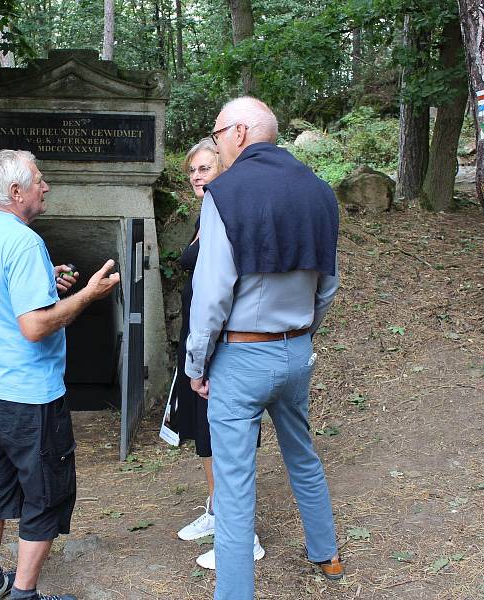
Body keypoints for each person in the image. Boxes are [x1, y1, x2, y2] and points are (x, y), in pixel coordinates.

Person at [185, 97, 343, 599]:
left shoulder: (223, 194)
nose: (216, 144)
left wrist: (197, 361)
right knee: (302, 454)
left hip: (240, 358)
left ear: (237, 132)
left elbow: (212, 293)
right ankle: (327, 553)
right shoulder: (320, 192)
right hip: (296, 353)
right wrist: (304, 333)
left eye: (216, 134)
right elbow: (328, 283)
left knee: (234, 487)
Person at [0, 149, 120, 600]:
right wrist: (88, 295)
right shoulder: (24, 241)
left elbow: (1, 296)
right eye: (38, 180)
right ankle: (25, 593)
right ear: (16, 192)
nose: (45, 187)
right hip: (29, 396)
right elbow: (33, 325)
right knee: (46, 493)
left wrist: (45, 280)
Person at [173, 138, 265, 569]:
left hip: (220, 344)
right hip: (199, 341)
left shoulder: (228, 213)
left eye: (205, 168)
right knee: (203, 435)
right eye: (192, 170)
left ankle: (242, 537)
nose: (197, 176)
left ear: (224, 170)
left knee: (224, 438)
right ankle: (217, 511)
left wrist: (207, 353)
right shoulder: (203, 213)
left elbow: (222, 290)